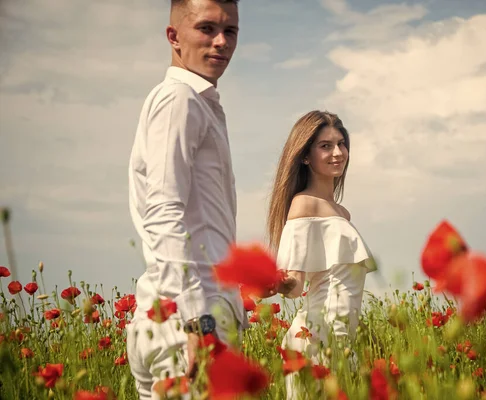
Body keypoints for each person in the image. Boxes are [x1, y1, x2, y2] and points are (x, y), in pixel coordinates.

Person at [125, 0, 246, 398]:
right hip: (188, 322)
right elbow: (163, 210)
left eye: (230, 31)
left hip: (182, 318)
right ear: (173, 36)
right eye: (207, 28)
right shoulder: (180, 99)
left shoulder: (199, 103)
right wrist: (197, 321)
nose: (220, 42)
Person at [266, 110, 377, 399]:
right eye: (325, 146)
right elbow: (295, 284)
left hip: (343, 340)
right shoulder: (303, 204)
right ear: (305, 156)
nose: (338, 152)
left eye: (341, 143)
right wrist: (273, 283)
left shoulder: (343, 213)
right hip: (314, 338)